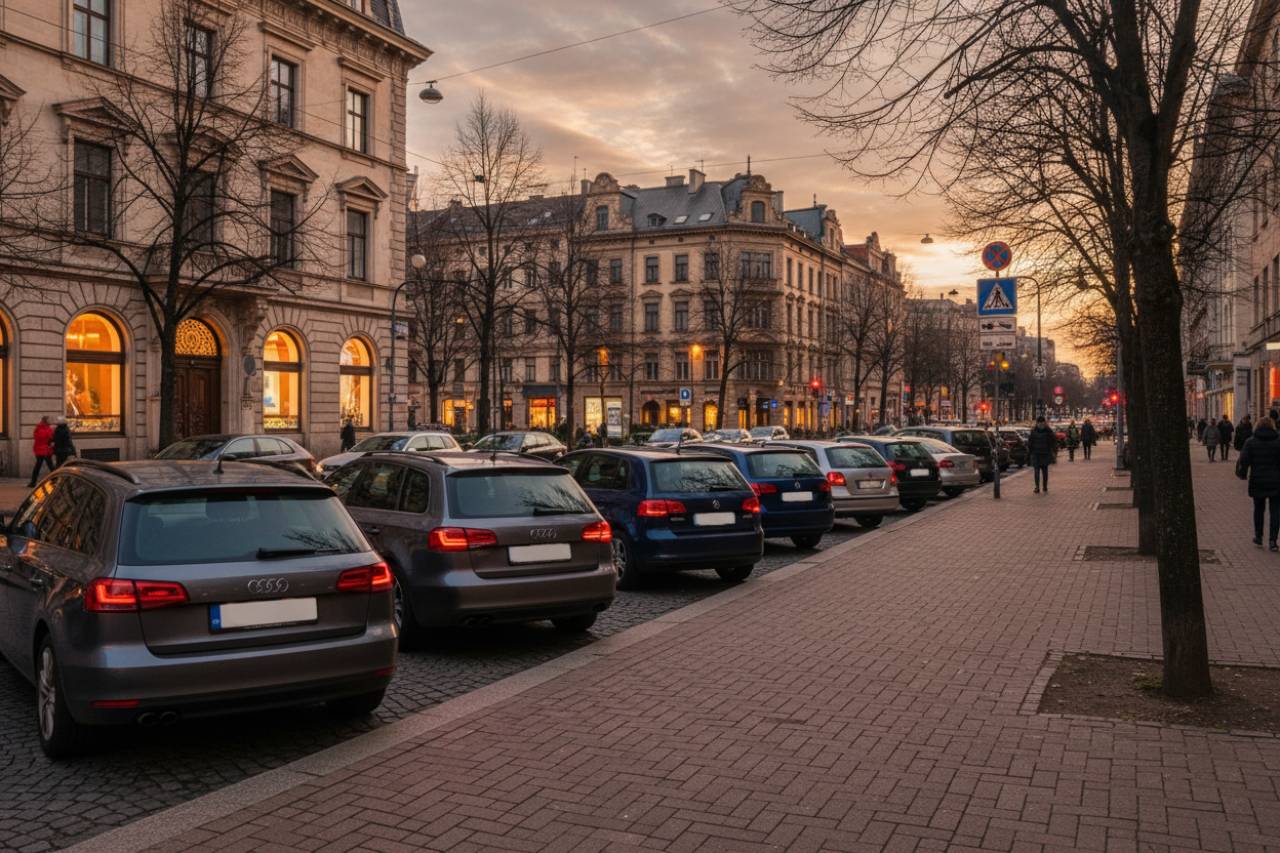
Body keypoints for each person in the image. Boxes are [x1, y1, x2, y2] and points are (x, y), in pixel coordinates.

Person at [1237, 416, 1280, 551]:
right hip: (1276, 481)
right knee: (1275, 511)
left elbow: (1244, 460)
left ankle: (1259, 536)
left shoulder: (1251, 442)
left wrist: (1243, 474)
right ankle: (1273, 540)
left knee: (1259, 509)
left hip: (1258, 480)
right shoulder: (1278, 441)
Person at [1026, 415, 1056, 494]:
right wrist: (1052, 451)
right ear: (1044, 422)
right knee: (1045, 471)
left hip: (1036, 454)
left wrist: (1030, 452)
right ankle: (1045, 487)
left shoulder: (1033, 431)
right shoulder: (1048, 431)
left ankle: (1037, 487)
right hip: (1045, 454)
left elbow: (1030, 443)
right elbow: (1053, 441)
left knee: (1036, 471)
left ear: (1037, 422)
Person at [27, 416, 54, 487]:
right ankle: (33, 482)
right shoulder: (40, 428)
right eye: (49, 420)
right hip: (41, 450)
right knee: (39, 466)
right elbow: (41, 437)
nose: (51, 421)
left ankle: (33, 482)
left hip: (46, 449)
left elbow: (51, 437)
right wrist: (49, 437)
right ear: (45, 421)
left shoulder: (48, 428)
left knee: (49, 465)